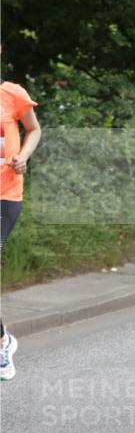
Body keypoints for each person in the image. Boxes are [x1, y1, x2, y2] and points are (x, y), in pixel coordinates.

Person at [1, 76, 41, 381]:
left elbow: (34, 129)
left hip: (5, 196)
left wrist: (23, 157)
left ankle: (2, 346)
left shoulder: (12, 93)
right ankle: (4, 338)